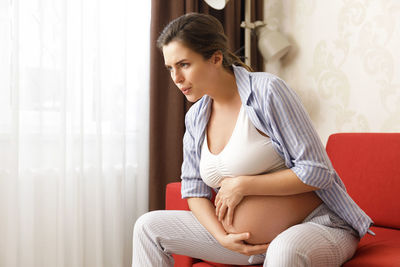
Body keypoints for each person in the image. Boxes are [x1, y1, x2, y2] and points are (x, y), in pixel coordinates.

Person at [132, 13, 373, 267]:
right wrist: (222, 237)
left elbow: (318, 172)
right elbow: (194, 191)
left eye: (184, 64)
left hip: (318, 226)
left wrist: (243, 185)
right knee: (147, 227)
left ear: (216, 58)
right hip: (245, 243)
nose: (176, 78)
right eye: (170, 68)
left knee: (285, 250)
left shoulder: (267, 92)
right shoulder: (195, 118)